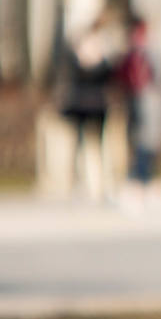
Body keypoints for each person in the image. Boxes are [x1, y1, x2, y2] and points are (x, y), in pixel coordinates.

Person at [115, 14, 161, 206]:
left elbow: (159, 78)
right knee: (140, 143)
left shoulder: (151, 53)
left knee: (147, 145)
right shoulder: (131, 54)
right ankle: (139, 181)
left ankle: (143, 181)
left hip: (149, 105)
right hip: (136, 104)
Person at [58, 28, 114, 202]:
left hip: (98, 107)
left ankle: (101, 183)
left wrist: (99, 59)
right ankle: (78, 182)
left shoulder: (102, 62)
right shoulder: (74, 60)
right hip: (81, 106)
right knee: (79, 145)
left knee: (99, 146)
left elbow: (109, 76)